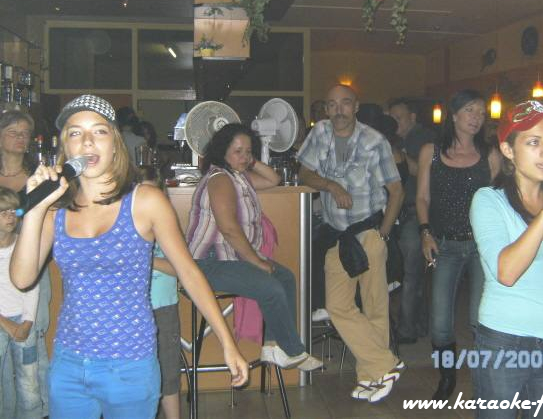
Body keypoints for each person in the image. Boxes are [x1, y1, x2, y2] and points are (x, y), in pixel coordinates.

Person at [9, 94, 248, 419]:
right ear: (66, 147)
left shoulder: (145, 201)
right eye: (76, 133)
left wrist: (227, 342)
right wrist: (36, 209)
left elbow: (189, 273)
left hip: (130, 366)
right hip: (69, 364)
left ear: (115, 144)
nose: (88, 141)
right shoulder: (55, 211)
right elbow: (21, 279)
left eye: (99, 131)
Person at [470, 101, 543, 419]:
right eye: (533, 142)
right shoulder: (488, 201)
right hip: (504, 342)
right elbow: (506, 272)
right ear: (508, 150)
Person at [298, 84, 405, 403]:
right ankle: (386, 364)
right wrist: (331, 185)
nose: (338, 110)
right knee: (337, 306)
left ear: (356, 106)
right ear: (326, 109)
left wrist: (382, 234)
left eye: (345, 103)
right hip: (336, 235)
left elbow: (396, 192)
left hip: (368, 232)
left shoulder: (374, 141)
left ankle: (371, 377)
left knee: (374, 306)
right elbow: (304, 173)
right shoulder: (319, 134)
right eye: (332, 105)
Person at [186, 123, 322, 371]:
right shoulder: (220, 179)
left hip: (229, 258)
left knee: (285, 277)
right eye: (237, 151)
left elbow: (274, 179)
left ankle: (272, 346)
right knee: (270, 287)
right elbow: (229, 228)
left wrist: (251, 161)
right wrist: (257, 262)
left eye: (248, 151)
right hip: (207, 263)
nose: (245, 157)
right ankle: (293, 350)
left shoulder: (238, 176)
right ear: (222, 151)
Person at [416, 89, 501, 400]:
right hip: (445, 245)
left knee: (481, 321)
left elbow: (498, 202)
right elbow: (422, 197)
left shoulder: (491, 155)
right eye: (469, 110)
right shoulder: (431, 152)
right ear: (453, 115)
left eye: (481, 112)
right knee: (440, 322)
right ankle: (447, 377)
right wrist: (425, 232)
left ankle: (485, 380)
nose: (476, 117)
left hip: (481, 247)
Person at [0, 110, 50, 419]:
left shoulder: (38, 175)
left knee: (32, 343)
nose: (21, 138)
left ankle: (35, 412)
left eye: (25, 133)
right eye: (13, 131)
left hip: (31, 265)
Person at [388, 98, 435, 344]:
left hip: (416, 213)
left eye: (399, 118)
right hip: (401, 212)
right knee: (411, 272)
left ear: (413, 117)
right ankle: (419, 324)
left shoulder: (424, 139)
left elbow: (421, 171)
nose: (395, 123)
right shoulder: (400, 140)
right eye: (392, 118)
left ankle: (407, 328)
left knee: (411, 273)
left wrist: (399, 154)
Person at [138, 165, 181, 419]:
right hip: (132, 309)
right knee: (138, 375)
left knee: (168, 371)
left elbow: (181, 268)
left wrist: (147, 258)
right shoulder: (125, 226)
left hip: (163, 307)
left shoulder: (167, 226)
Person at [0, 187, 42, 419]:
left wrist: (27, 322)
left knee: (29, 384)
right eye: (3, 211)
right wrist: (6, 323)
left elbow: (31, 286)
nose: (10, 216)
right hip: (1, 323)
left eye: (13, 211)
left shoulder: (24, 244)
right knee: (3, 386)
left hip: (24, 323)